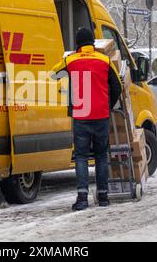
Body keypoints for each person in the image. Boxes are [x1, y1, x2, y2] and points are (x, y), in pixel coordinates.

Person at [52, 28, 122, 211]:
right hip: (100, 115)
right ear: (92, 43)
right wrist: (108, 104)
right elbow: (117, 87)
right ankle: (103, 196)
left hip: (81, 115)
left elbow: (53, 74)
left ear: (78, 43)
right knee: (100, 155)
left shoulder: (71, 60)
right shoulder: (104, 60)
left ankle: (82, 198)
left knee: (81, 157)